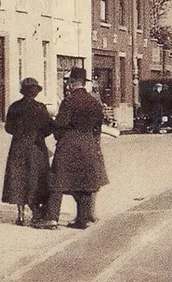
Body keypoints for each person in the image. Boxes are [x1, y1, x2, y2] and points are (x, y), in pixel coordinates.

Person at [33, 67, 109, 230]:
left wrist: (56, 132)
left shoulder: (69, 101)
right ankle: (83, 219)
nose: (68, 85)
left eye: (69, 82)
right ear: (84, 83)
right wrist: (93, 143)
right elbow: (97, 127)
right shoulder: (95, 102)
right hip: (88, 143)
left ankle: (51, 218)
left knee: (57, 181)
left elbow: (61, 123)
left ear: (73, 83)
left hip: (69, 145)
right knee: (84, 183)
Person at [2, 78, 54, 226]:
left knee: (19, 178)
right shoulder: (40, 108)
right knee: (35, 179)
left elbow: (8, 128)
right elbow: (48, 128)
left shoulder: (14, 107)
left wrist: (20, 133)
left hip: (18, 147)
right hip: (36, 147)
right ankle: (36, 214)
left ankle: (20, 215)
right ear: (36, 92)